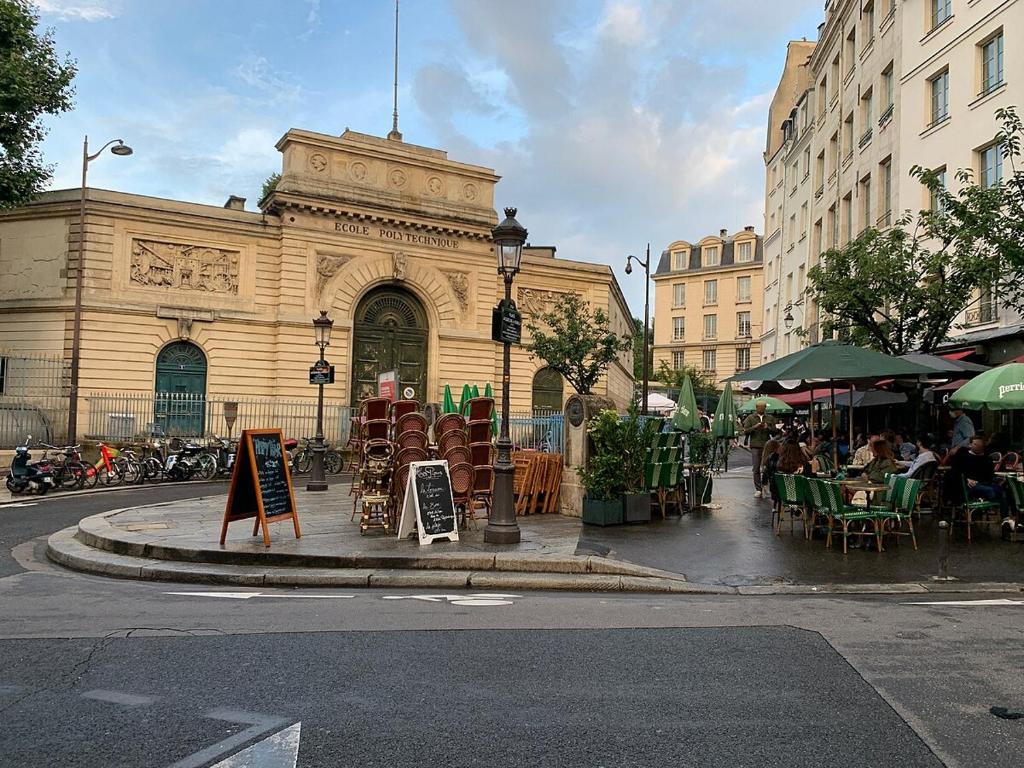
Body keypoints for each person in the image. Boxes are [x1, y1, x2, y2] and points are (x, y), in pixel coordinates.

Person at [951, 434, 1007, 514]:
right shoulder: (963, 457)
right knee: (990, 491)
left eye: (980, 445)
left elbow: (990, 475)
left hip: (984, 483)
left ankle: (1005, 519)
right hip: (969, 485)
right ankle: (988, 506)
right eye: (975, 444)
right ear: (970, 445)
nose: (978, 446)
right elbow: (956, 471)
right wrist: (966, 479)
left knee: (1002, 492)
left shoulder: (987, 459)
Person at [742, 402, 780, 498]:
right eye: (760, 407)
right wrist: (755, 427)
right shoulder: (750, 418)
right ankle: (758, 489)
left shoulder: (770, 418)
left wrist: (768, 427)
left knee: (768, 466)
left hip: (767, 445)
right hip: (755, 445)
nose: (761, 409)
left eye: (763, 407)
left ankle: (765, 484)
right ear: (756, 407)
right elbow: (745, 431)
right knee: (756, 468)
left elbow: (775, 431)